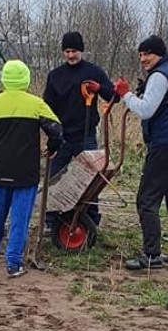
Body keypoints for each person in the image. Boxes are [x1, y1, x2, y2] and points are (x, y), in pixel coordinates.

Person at [113, 34, 168, 270]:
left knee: (146, 200)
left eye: (147, 54)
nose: (143, 59)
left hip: (166, 145)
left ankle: (151, 256)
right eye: (140, 54)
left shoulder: (160, 76)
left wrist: (125, 94)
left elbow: (147, 110)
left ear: (158, 54)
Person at [0, 59, 62, 277]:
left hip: (2, 168)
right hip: (26, 170)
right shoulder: (35, 103)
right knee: (20, 216)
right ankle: (13, 263)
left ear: (4, 79)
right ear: (26, 79)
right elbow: (56, 130)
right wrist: (52, 148)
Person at [43, 31, 115, 224]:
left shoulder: (94, 72)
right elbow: (47, 107)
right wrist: (52, 134)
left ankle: (91, 218)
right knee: (54, 177)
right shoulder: (55, 76)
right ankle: (52, 218)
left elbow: (111, 96)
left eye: (74, 51)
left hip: (86, 135)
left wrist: (99, 89)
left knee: (91, 178)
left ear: (81, 50)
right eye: (66, 51)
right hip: (63, 136)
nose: (70, 55)